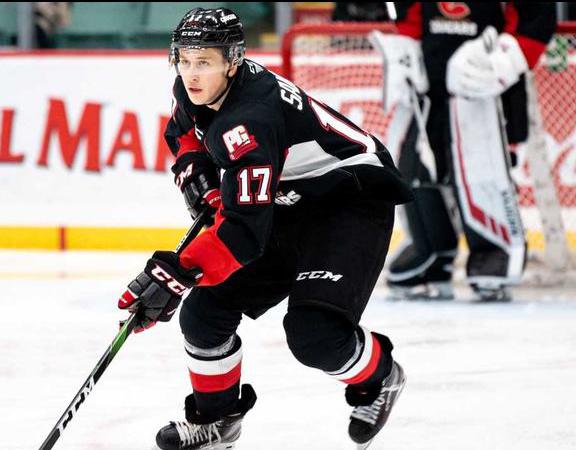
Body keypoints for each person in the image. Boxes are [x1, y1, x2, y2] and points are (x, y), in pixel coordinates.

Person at [116, 7, 414, 450]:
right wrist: (196, 173)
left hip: (349, 200)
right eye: (185, 59)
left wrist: (177, 274)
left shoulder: (250, 119)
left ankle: (380, 377)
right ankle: (217, 421)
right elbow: (182, 132)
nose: (191, 73)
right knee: (204, 315)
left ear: (232, 62)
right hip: (286, 200)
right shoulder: (194, 89)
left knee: (315, 335)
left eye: (204, 62)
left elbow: (242, 235)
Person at [374, 3, 557, 301]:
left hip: (485, 93)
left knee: (481, 170)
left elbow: (536, 17)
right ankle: (431, 250)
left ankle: (494, 251)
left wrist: (505, 60)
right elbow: (409, 15)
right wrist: (405, 49)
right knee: (413, 169)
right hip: (429, 89)